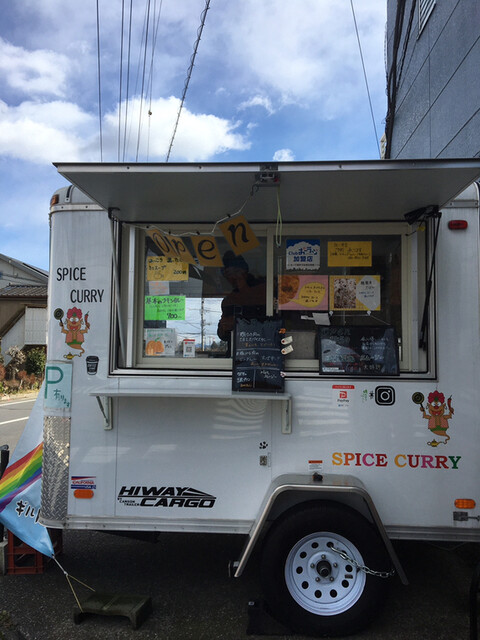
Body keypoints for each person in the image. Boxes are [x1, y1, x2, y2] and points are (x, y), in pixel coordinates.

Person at [217, 251, 266, 352]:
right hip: (236, 354)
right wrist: (224, 327)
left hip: (262, 351)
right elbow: (223, 335)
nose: (231, 279)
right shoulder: (228, 300)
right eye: (227, 275)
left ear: (244, 272)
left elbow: (269, 325)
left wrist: (243, 287)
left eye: (235, 273)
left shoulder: (263, 290)